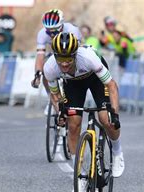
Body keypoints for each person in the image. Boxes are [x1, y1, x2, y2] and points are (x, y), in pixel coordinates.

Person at [43, 32, 125, 178]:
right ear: (55, 56)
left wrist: (115, 114)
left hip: (95, 78)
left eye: (68, 58)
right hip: (73, 84)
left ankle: (117, 152)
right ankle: (79, 173)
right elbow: (55, 96)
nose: (64, 63)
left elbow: (112, 86)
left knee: (106, 119)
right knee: (73, 124)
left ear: (75, 55)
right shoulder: (50, 68)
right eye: (61, 59)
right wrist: (60, 112)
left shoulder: (88, 58)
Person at [30, 9, 82, 107]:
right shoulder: (42, 33)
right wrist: (37, 75)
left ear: (62, 25)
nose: (52, 34)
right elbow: (40, 55)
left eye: (54, 31)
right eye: (49, 32)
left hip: (70, 53)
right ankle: (52, 99)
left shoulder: (72, 30)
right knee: (46, 70)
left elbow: (77, 53)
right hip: (55, 54)